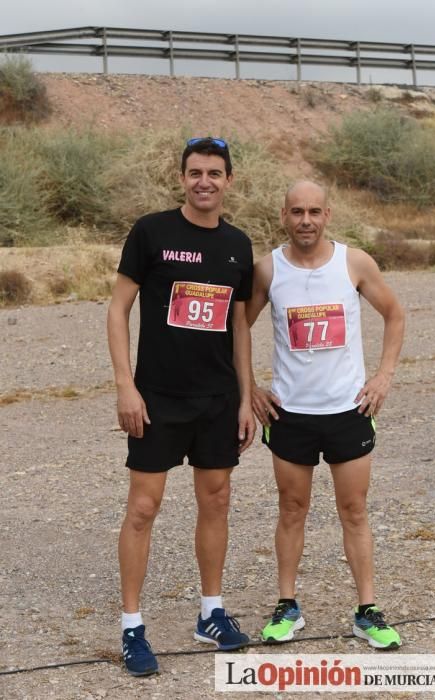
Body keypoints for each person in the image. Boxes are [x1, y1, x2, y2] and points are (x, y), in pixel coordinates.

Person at [107, 137, 255, 676]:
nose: (204, 182)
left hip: (217, 401)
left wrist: (244, 397)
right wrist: (126, 385)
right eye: (195, 172)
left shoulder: (239, 244)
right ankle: (131, 627)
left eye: (215, 173)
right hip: (158, 399)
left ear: (229, 180)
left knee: (216, 503)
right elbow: (118, 308)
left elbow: (240, 325)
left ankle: (211, 614)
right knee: (143, 509)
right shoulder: (152, 231)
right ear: (182, 178)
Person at [246, 180, 405, 650]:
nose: (306, 220)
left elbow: (394, 314)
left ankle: (367, 611)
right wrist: (248, 387)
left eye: (314, 211)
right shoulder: (267, 269)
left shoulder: (353, 263)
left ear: (328, 214)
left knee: (353, 511)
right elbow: (238, 324)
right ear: (283, 215)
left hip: (348, 411)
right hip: (290, 413)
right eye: (297, 212)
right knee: (291, 509)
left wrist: (384, 377)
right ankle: (287, 606)